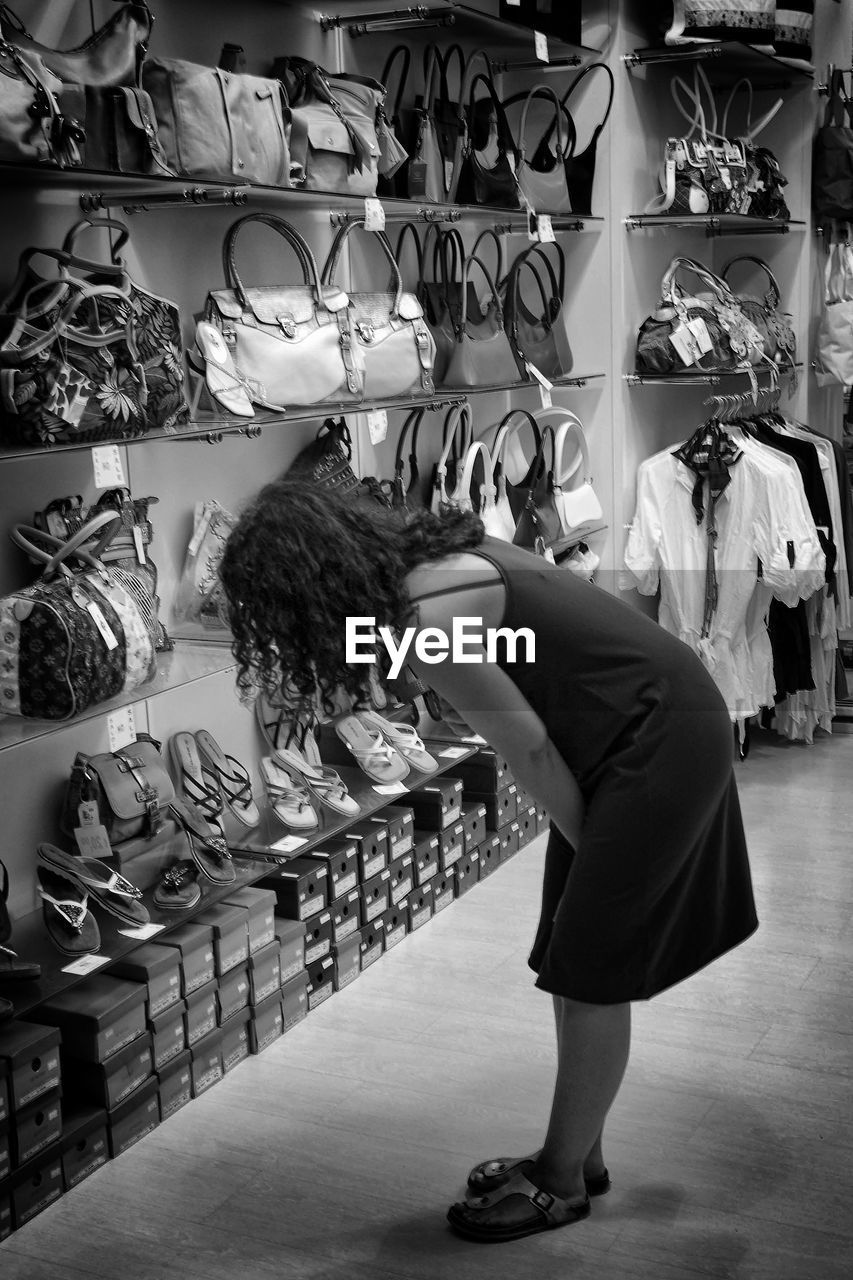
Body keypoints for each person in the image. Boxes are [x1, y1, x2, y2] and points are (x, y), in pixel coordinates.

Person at [219, 478, 758, 1246]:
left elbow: (528, 748)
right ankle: (577, 1153)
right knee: (570, 952)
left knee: (591, 965)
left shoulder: (426, 619)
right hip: (638, 727)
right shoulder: (432, 556)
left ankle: (560, 1184)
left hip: (657, 738)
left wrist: (590, 850)